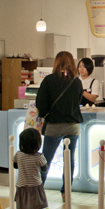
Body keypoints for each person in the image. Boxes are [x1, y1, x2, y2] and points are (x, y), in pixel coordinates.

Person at [36, 51, 83, 201]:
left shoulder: (48, 80)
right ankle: (66, 192)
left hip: (54, 125)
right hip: (72, 125)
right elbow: (78, 101)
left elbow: (40, 103)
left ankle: (38, 191)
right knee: (69, 159)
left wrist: (45, 114)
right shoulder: (76, 81)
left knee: (45, 159)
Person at [13, 127, 48, 209]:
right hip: (35, 186)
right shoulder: (39, 156)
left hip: (21, 185)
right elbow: (44, 168)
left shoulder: (18, 154)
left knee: (22, 207)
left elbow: (15, 166)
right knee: (35, 208)